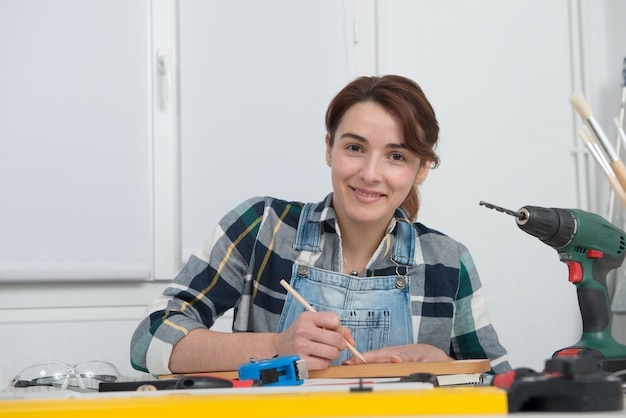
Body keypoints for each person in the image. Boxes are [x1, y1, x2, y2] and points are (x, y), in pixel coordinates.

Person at [130, 75, 511, 375]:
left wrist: (440, 365)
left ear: (422, 169)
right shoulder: (261, 228)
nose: (370, 173)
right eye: (355, 148)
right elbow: (148, 340)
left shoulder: (449, 261)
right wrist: (276, 347)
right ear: (329, 148)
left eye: (396, 156)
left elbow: (501, 387)